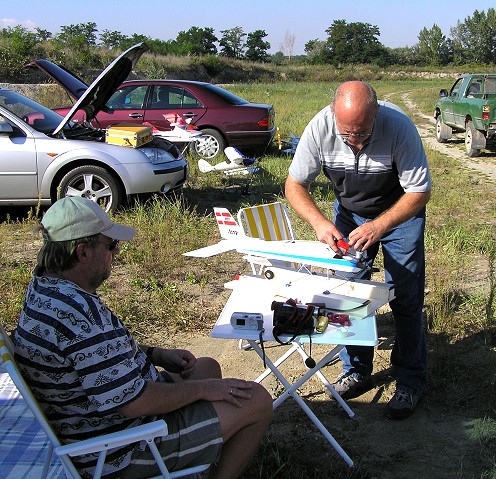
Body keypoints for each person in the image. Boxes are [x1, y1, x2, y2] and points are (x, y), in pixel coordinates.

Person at [11, 196, 273, 479]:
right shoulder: (78, 313)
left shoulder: (45, 286)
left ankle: (196, 459)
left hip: (95, 421)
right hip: (117, 450)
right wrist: (203, 390)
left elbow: (93, 355)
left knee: (207, 366)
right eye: (110, 245)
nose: (117, 252)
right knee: (256, 399)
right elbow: (133, 402)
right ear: (83, 252)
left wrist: (156, 355)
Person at [285, 81, 432, 420]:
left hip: (399, 214)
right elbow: (294, 184)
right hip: (349, 214)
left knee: (405, 298)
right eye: (347, 134)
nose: (357, 142)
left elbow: (419, 191)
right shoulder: (320, 128)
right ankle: (356, 368)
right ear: (334, 116)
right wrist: (321, 223)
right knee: (350, 295)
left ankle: (410, 380)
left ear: (376, 113)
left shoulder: (399, 128)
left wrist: (380, 225)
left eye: (364, 133)